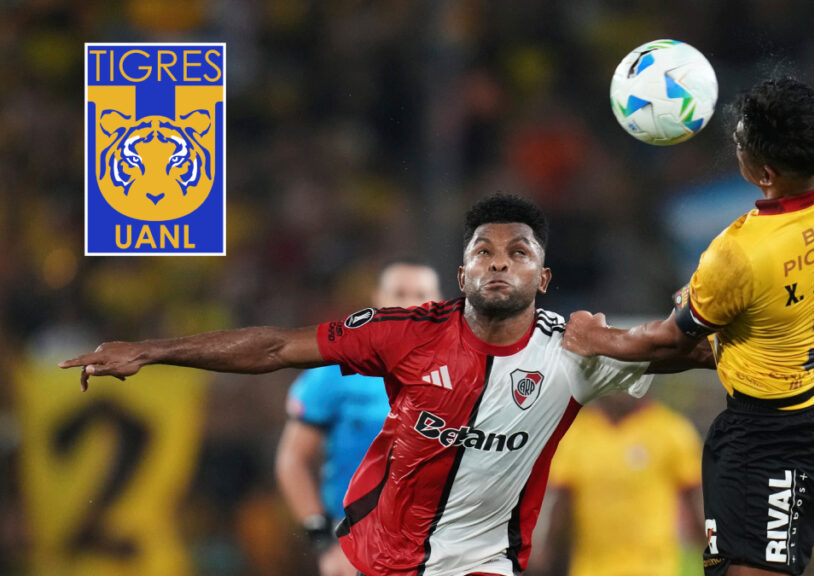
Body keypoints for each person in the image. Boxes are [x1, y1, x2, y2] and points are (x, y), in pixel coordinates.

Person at [59, 194, 715, 576]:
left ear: (542, 279)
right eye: (483, 251)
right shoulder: (405, 332)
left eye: (519, 253)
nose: (498, 262)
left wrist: (720, 321)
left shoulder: (576, 352)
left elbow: (693, 352)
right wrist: (150, 351)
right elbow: (276, 345)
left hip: (484, 564)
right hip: (376, 559)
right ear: (460, 274)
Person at [562, 77, 814, 576]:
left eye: (739, 140)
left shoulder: (740, 254)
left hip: (777, 434)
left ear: (763, 171)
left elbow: (676, 340)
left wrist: (595, 339)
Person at [276, 260, 442, 576]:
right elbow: (292, 459)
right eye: (399, 293)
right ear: (378, 299)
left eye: (421, 294)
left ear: (438, 303)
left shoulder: (468, 371)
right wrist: (323, 540)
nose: (409, 303)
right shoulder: (338, 368)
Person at [536, 393, 704, 576]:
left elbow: (695, 503)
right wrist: (548, 552)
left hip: (653, 568)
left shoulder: (671, 430)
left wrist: (713, 552)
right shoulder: (576, 433)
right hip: (592, 570)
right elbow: (561, 507)